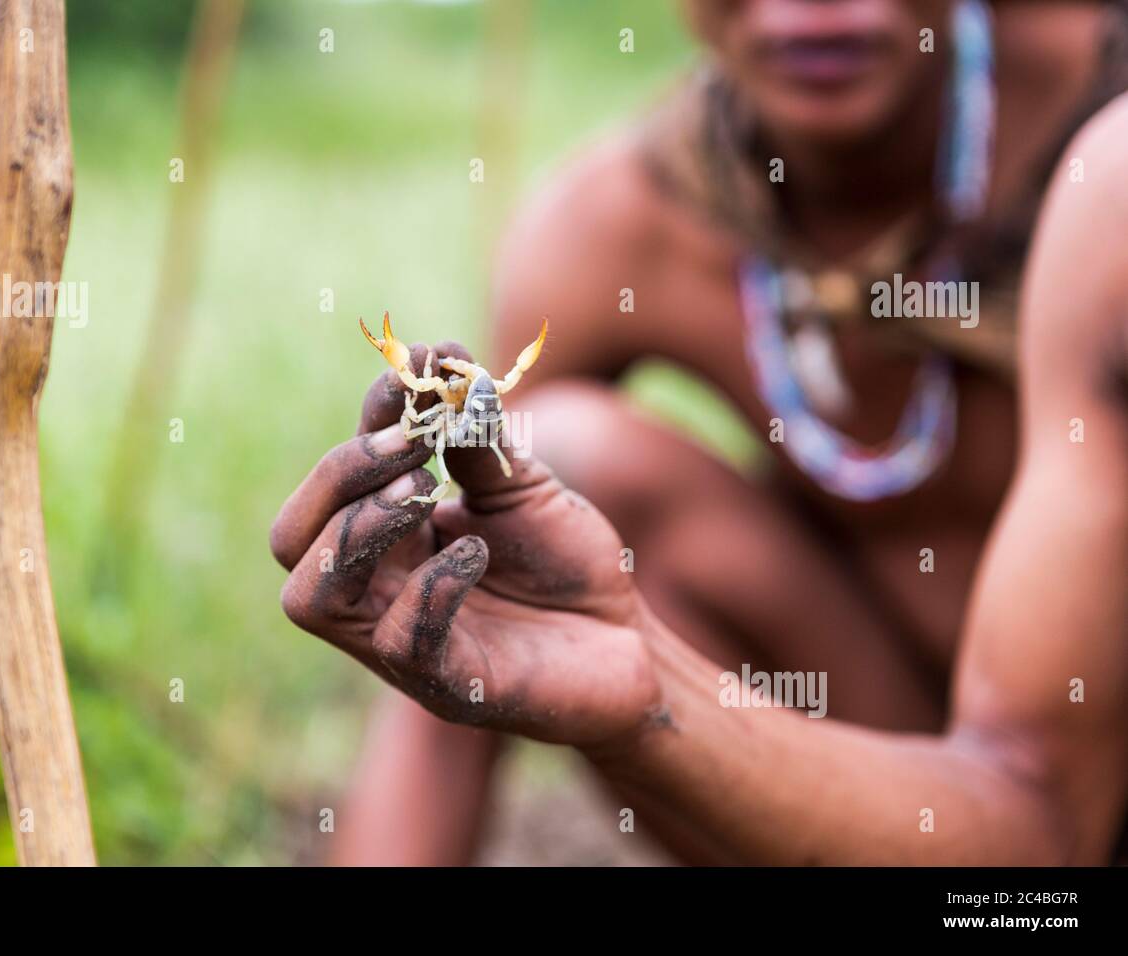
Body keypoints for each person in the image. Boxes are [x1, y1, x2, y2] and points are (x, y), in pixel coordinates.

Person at [271, 0, 1128, 863]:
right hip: (909, 772)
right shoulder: (616, 226)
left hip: (1079, 767)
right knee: (551, 463)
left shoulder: (1106, 142)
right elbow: (476, 604)